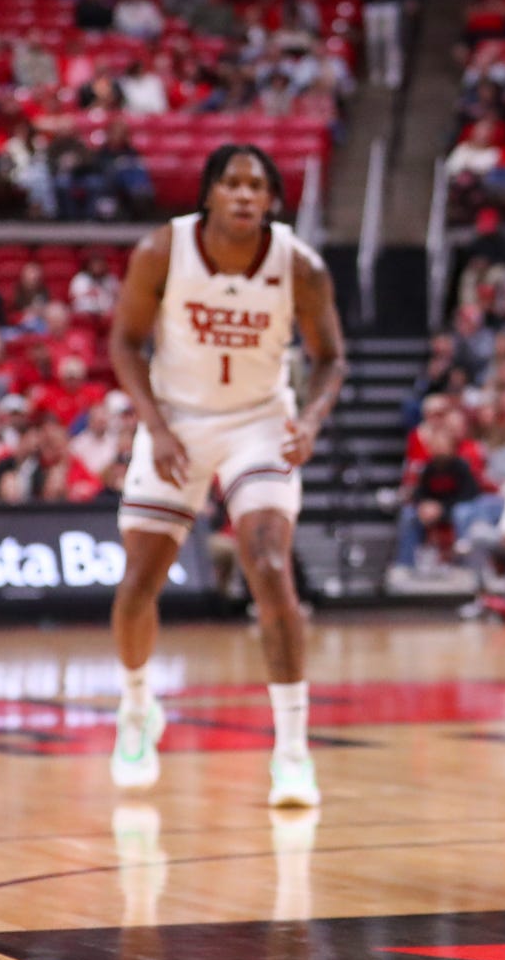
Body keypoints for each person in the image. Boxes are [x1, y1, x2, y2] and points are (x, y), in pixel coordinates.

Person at [107, 146, 346, 808]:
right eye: (232, 183)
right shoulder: (163, 249)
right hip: (176, 419)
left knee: (269, 566)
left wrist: (315, 419)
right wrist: (153, 425)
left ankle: (293, 750)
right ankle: (135, 711)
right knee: (139, 583)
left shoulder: (300, 265)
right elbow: (124, 342)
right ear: (209, 193)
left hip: (259, 421)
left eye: (258, 186)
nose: (244, 194)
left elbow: (329, 357)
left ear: (272, 200)